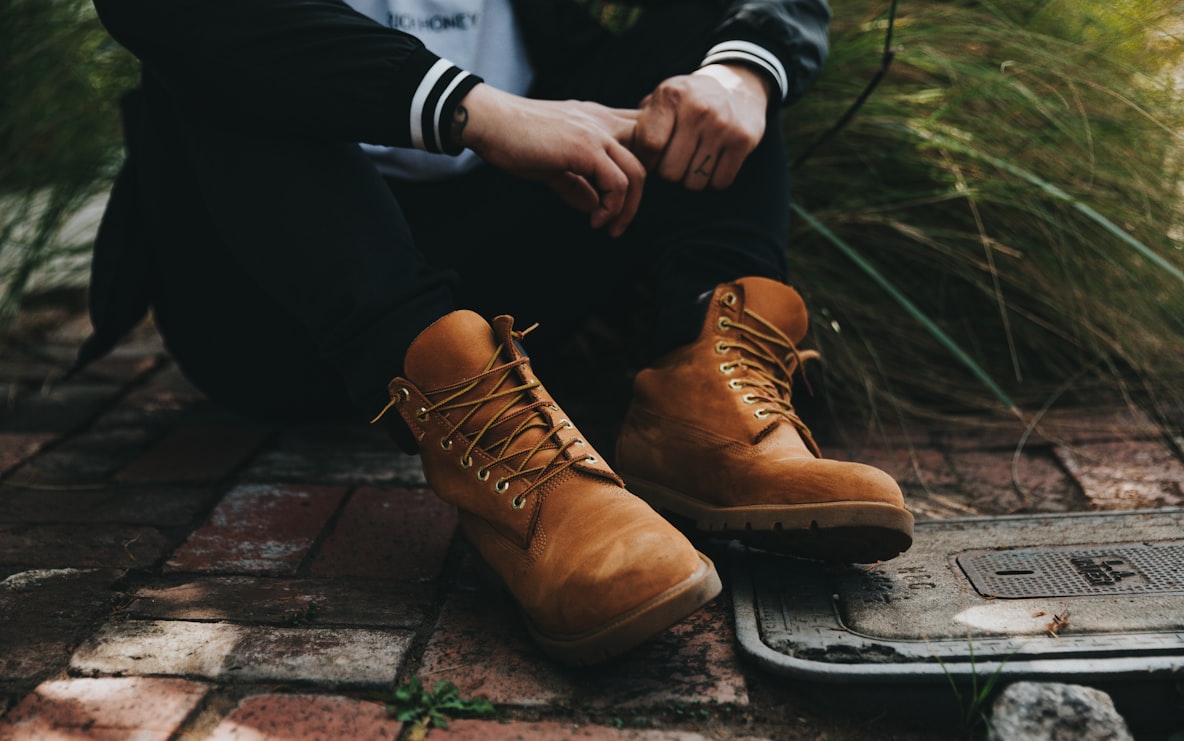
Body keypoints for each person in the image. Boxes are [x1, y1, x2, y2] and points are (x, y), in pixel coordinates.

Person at [81, 0, 913, 666]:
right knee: (208, 38)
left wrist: (740, 74)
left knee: (713, 46)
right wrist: (475, 109)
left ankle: (704, 421)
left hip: (509, 274)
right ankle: (502, 457)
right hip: (267, 304)